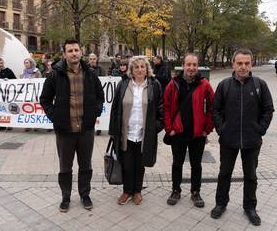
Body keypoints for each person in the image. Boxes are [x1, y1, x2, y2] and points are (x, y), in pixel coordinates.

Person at [210, 49, 274, 226]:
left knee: (251, 175)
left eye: (246, 63)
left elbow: (268, 109)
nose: (243, 67)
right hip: (228, 139)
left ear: (251, 64)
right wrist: (222, 129)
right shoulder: (224, 85)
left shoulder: (260, 85)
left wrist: (260, 129)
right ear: (233, 64)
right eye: (240, 63)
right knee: (224, 173)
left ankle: (250, 207)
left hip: (251, 140)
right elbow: (215, 110)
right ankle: (221, 203)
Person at [40, 39, 104, 213]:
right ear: (64, 54)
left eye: (76, 50)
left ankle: (85, 195)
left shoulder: (90, 74)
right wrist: (55, 117)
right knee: (65, 168)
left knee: (86, 166)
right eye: (70, 51)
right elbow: (44, 99)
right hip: (64, 131)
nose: (74, 53)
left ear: (81, 52)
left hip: (86, 130)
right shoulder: (55, 75)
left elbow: (100, 96)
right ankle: (65, 197)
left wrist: (95, 114)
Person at [109, 56, 163, 205]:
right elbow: (115, 109)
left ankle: (137, 191)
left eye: (142, 66)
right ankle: (127, 191)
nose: (140, 69)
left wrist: (154, 128)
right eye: (136, 67)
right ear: (131, 70)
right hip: (126, 134)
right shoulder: (123, 85)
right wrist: (114, 131)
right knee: (126, 164)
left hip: (144, 135)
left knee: (140, 165)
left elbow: (161, 110)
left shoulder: (154, 85)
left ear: (147, 69)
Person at [164, 53, 214, 208]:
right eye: (189, 64)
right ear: (183, 65)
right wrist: (169, 128)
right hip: (177, 133)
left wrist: (207, 129)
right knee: (177, 163)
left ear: (197, 66)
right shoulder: (173, 84)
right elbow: (165, 107)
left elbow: (213, 108)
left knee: (196, 164)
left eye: (194, 65)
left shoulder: (205, 85)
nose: (191, 68)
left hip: (197, 134)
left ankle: (195, 191)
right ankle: (175, 190)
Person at [0, 58, 17, 131]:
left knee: (8, 110)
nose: (0, 65)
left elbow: (15, 80)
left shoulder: (8, 71)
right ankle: (1, 125)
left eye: (1, 63)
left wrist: (8, 80)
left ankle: (10, 124)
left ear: (3, 63)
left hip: (7, 95)